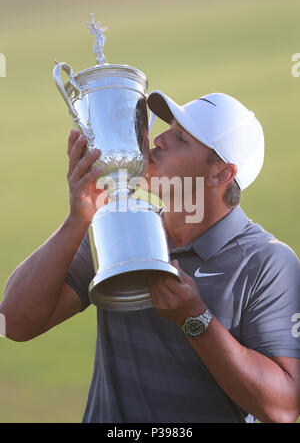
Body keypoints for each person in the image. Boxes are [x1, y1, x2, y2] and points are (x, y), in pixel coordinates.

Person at [1, 91, 300, 423]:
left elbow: (283, 407)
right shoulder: (122, 226)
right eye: (168, 129)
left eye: (181, 138)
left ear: (220, 174)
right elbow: (14, 322)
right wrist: (79, 219)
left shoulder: (268, 263)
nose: (157, 140)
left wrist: (196, 320)